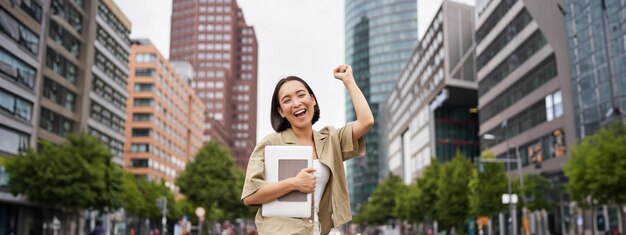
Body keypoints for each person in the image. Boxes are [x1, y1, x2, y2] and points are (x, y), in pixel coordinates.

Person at [241, 64, 374, 235]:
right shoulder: (271, 143)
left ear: (313, 100)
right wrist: (293, 183)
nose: (296, 103)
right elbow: (250, 195)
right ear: (281, 111)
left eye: (301, 95)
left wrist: (348, 81)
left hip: (316, 230)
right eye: (287, 100)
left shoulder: (330, 140)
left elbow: (366, 121)